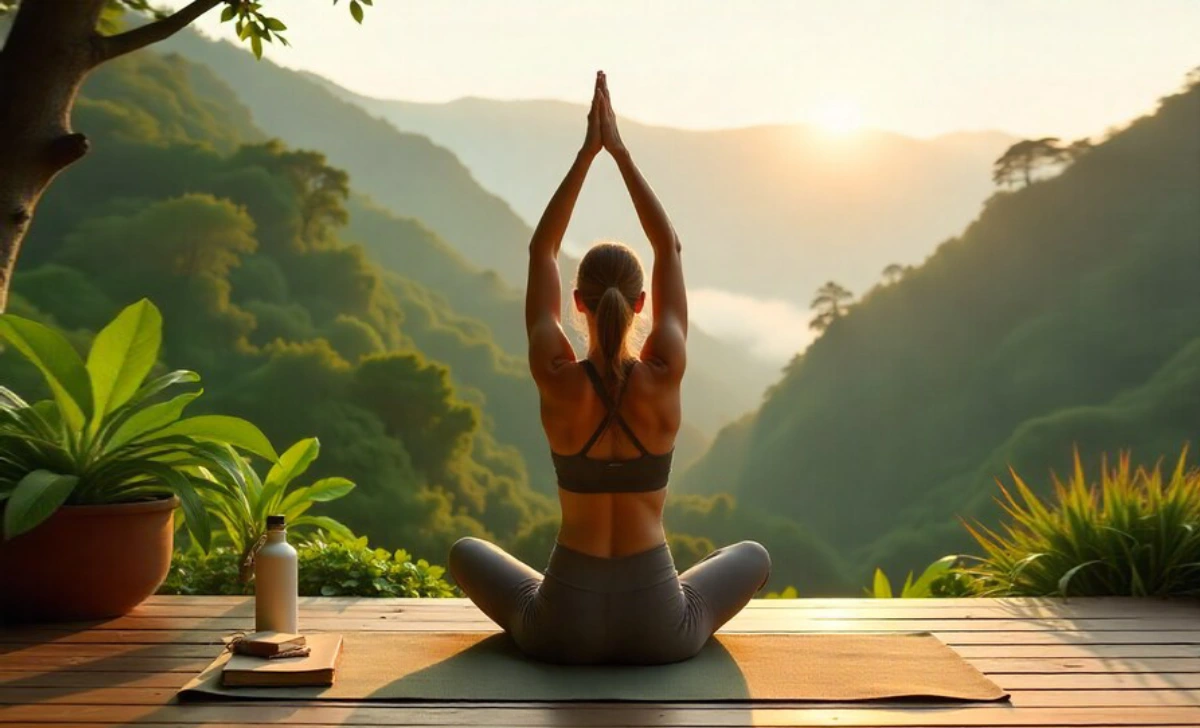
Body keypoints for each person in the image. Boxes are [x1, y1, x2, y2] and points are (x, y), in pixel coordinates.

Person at [448, 71, 770, 665]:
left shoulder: (555, 372)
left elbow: (541, 250)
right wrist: (620, 153)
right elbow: (668, 248)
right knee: (751, 554)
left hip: (560, 628)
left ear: (577, 303)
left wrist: (585, 155)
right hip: (662, 628)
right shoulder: (665, 370)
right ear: (641, 305)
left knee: (467, 550)